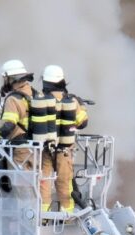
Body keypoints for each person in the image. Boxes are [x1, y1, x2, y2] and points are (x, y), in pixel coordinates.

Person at [38, 64, 89, 214]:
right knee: (65, 183)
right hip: (65, 150)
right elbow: (83, 123)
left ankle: (44, 215)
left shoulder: (39, 100)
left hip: (45, 149)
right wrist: (81, 106)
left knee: (44, 182)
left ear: (45, 82)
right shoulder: (71, 100)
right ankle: (67, 214)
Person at [0, 59, 34, 169]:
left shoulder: (13, 99)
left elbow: (8, 126)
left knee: (20, 185)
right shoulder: (34, 93)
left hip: (21, 151)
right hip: (36, 149)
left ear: (12, 78)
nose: (4, 82)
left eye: (5, 78)